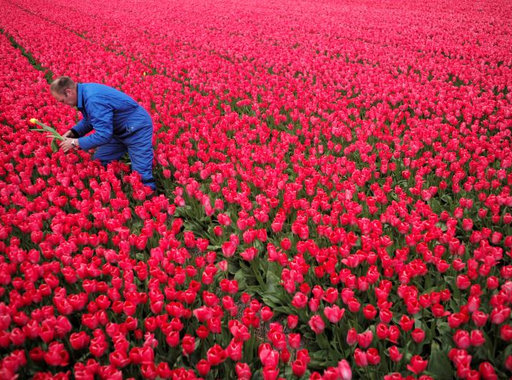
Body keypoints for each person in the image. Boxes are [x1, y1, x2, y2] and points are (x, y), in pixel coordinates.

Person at [50, 76, 156, 192]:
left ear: (68, 92)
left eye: (62, 101)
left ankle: (150, 200)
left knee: (141, 175)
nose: (64, 104)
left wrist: (75, 142)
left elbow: (103, 135)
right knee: (100, 162)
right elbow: (90, 119)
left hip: (136, 129)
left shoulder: (93, 99)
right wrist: (73, 132)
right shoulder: (83, 92)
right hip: (117, 130)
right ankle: (116, 189)